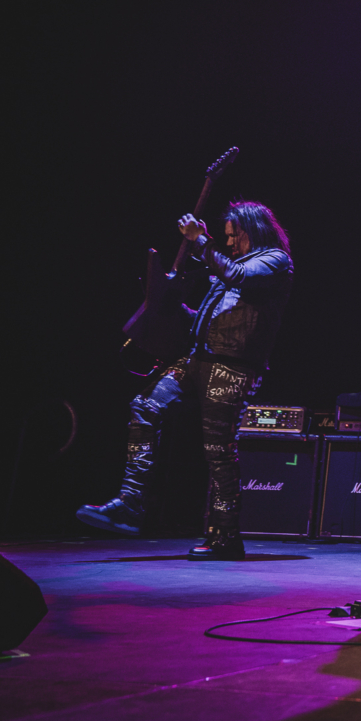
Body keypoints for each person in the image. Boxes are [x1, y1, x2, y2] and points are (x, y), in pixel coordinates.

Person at [78, 203, 293, 561]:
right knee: (145, 406)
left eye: (232, 235)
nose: (228, 242)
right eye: (224, 237)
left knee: (218, 450)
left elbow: (239, 277)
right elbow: (207, 316)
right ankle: (130, 505)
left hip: (232, 367)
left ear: (250, 229)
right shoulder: (228, 267)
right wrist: (170, 304)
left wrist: (201, 242)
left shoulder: (274, 260)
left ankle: (226, 536)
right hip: (197, 358)